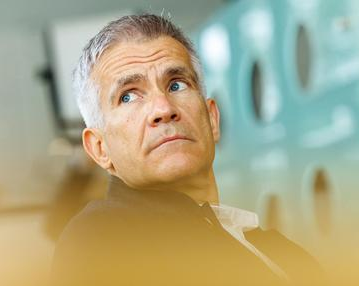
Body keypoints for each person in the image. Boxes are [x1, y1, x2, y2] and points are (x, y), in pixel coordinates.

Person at [51, 14, 323, 286]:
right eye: (128, 96)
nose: (164, 109)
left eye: (176, 85)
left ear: (212, 118)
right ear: (99, 149)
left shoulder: (277, 251)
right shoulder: (101, 240)